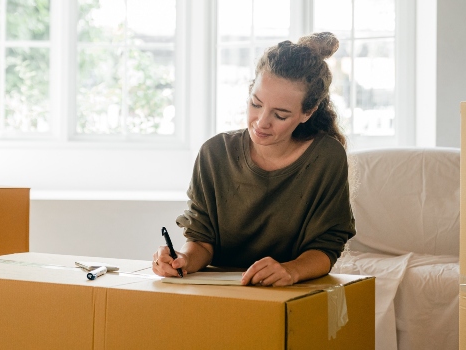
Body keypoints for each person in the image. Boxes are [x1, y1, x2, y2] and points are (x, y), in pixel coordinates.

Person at [152, 32, 355, 287]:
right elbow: (202, 240)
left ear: (308, 112)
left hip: (291, 291)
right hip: (219, 293)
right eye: (256, 104)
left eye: (280, 115)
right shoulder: (214, 153)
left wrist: (290, 270)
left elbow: (327, 246)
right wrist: (182, 260)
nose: (261, 123)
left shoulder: (327, 157)